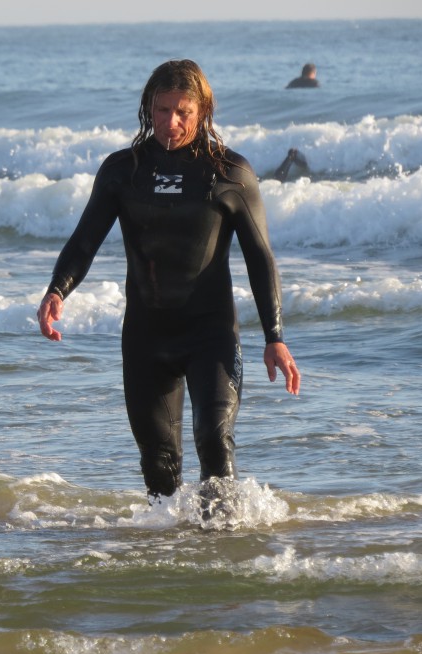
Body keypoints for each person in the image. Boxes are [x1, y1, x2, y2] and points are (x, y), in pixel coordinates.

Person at [36, 59, 301, 519]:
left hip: (210, 334)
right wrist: (57, 290)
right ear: (148, 107)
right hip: (146, 337)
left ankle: (221, 552)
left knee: (214, 441)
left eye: (183, 112)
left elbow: (260, 258)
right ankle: (171, 564)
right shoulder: (123, 171)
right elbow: (84, 240)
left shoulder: (230, 173)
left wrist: (274, 337)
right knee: (159, 466)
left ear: (203, 113)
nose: (170, 122)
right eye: (161, 110)